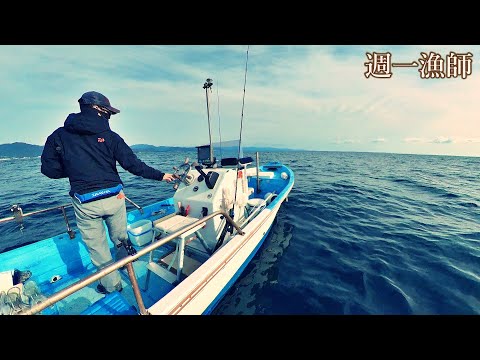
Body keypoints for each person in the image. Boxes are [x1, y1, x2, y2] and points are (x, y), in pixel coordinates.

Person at [40, 91, 175, 294]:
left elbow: (48, 169)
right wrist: (161, 175)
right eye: (109, 112)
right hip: (115, 198)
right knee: (120, 237)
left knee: (98, 250)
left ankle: (112, 285)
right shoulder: (110, 137)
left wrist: (74, 169)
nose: (109, 117)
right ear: (99, 110)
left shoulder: (58, 136)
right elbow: (133, 165)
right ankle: (125, 263)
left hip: (85, 202)